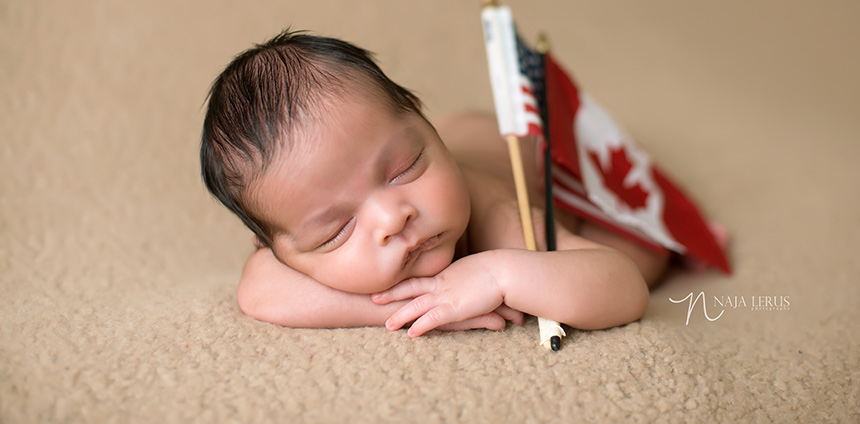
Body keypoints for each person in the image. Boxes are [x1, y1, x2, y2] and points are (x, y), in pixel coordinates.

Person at [201, 31, 669, 337]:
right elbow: (258, 290)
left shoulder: (497, 212)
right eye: (336, 231)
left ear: (423, 120)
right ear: (272, 247)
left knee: (647, 252)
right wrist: (416, 305)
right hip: (460, 134)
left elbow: (623, 287)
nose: (392, 216)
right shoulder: (284, 247)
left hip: (531, 156)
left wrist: (498, 274)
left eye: (405, 167)